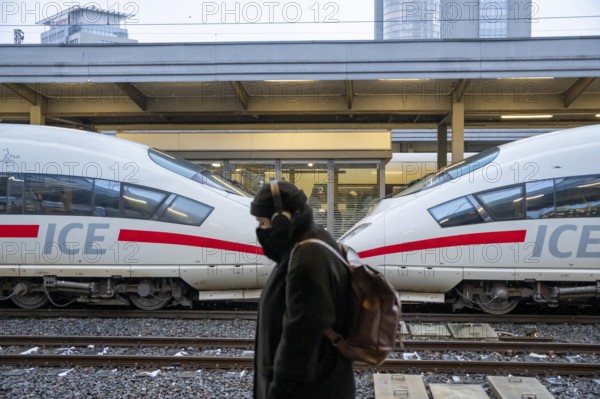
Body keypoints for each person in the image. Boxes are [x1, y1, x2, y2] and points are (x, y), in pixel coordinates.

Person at [250, 180, 356, 399]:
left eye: (262, 223)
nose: (260, 230)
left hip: (310, 390)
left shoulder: (306, 258)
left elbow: (300, 339)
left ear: (281, 220)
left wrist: (277, 391)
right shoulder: (313, 240)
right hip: (324, 381)